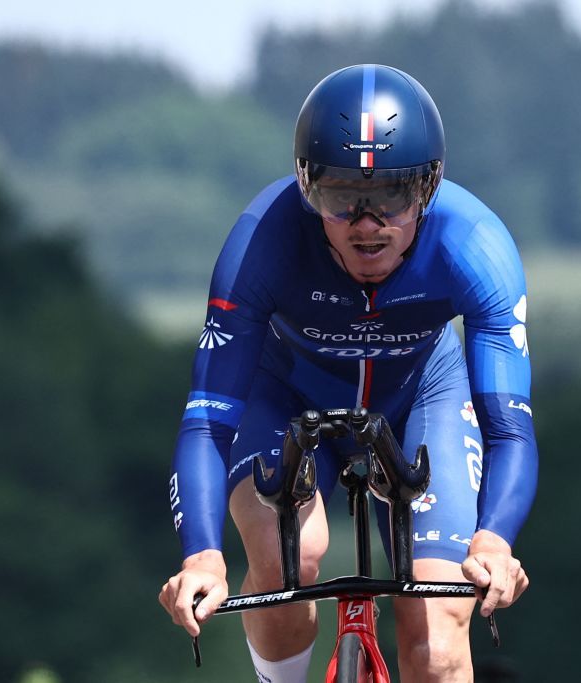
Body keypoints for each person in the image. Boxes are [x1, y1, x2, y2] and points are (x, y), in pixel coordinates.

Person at [159, 64, 537, 683]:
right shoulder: (262, 243)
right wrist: (202, 556)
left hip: (423, 395)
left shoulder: (476, 246)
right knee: (291, 560)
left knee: (438, 639)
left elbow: (509, 429)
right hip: (284, 392)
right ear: (307, 190)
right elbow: (206, 421)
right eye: (340, 197)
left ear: (429, 188)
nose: (367, 223)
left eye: (391, 195)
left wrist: (494, 541)